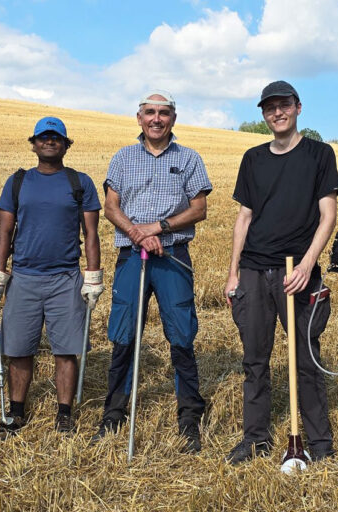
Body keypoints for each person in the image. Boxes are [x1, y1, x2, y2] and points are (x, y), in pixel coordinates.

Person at [223, 81, 338, 465]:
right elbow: (244, 218)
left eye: (284, 105)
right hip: (256, 271)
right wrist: (233, 273)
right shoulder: (253, 158)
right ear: (264, 114)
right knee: (254, 359)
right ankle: (255, 439)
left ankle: (320, 443)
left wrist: (307, 265)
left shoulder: (319, 155)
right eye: (270, 107)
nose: (277, 112)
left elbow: (328, 215)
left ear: (298, 107)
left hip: (298, 270)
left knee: (306, 359)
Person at [90, 90, 212, 453]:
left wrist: (156, 229)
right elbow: (111, 207)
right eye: (149, 112)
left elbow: (199, 209)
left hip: (172, 255)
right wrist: (136, 235)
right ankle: (113, 414)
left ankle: (189, 416)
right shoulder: (123, 158)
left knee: (181, 334)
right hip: (131, 257)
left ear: (173, 118)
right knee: (123, 333)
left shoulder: (188, 158)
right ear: (139, 117)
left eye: (163, 113)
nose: (156, 119)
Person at [0, 117, 103, 437]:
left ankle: (64, 414)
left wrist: (93, 275)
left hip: (66, 278)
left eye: (56, 138)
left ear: (66, 144)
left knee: (66, 349)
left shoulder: (80, 182)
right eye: (43, 137)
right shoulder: (18, 182)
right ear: (34, 143)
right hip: (23, 278)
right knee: (19, 349)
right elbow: (4, 232)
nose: (50, 142)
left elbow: (91, 233)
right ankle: (16, 413)